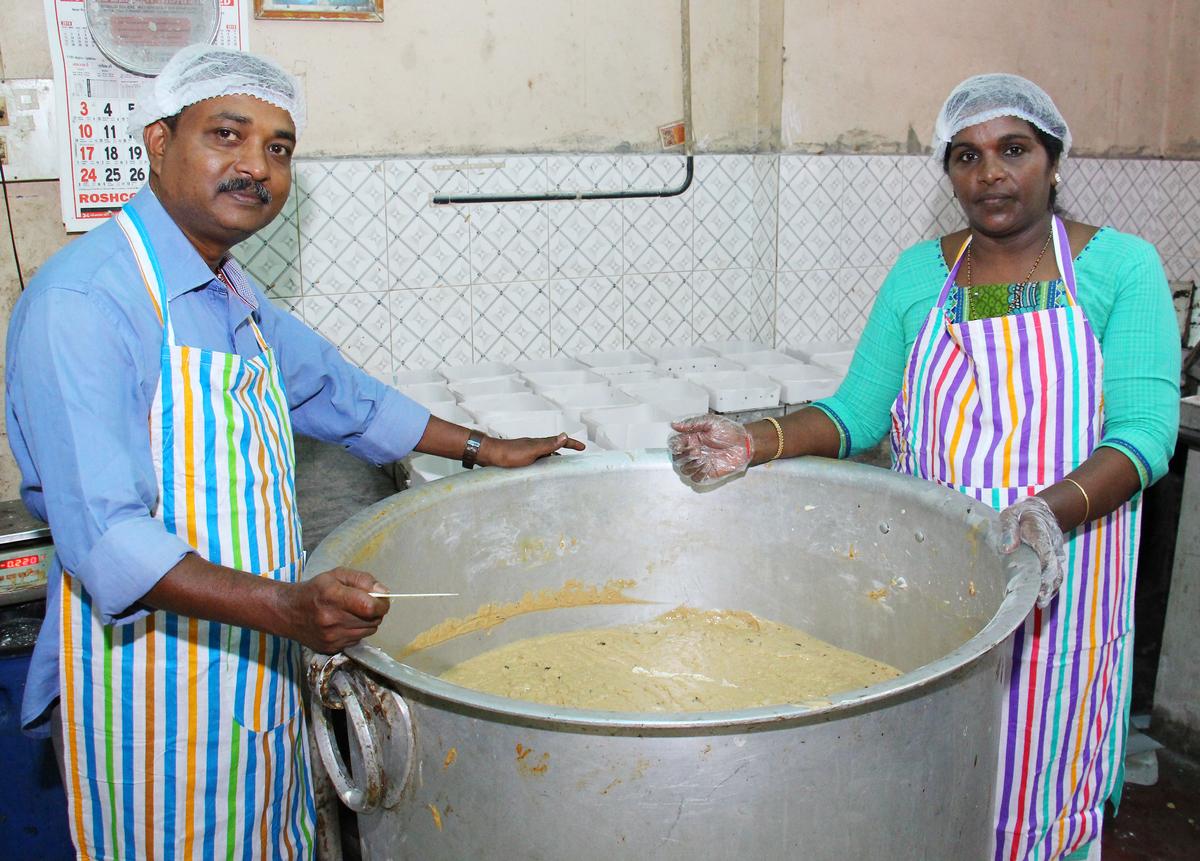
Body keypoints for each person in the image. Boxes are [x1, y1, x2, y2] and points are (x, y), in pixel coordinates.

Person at [5, 44, 582, 859]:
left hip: (249, 673)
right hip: (152, 691)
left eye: (279, 148)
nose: (257, 167)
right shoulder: (87, 303)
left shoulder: (229, 289)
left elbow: (339, 393)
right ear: (159, 144)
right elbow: (107, 541)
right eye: (228, 136)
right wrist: (288, 607)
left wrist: (483, 447)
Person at [669, 73, 1179, 861]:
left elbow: (1145, 433)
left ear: (1053, 158)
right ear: (949, 174)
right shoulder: (920, 277)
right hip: (939, 585)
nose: (991, 174)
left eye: (1014, 150)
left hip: (1062, 588)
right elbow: (854, 415)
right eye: (966, 156)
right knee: (932, 792)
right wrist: (752, 439)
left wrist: (1051, 508)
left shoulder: (1120, 270)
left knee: (1036, 788)